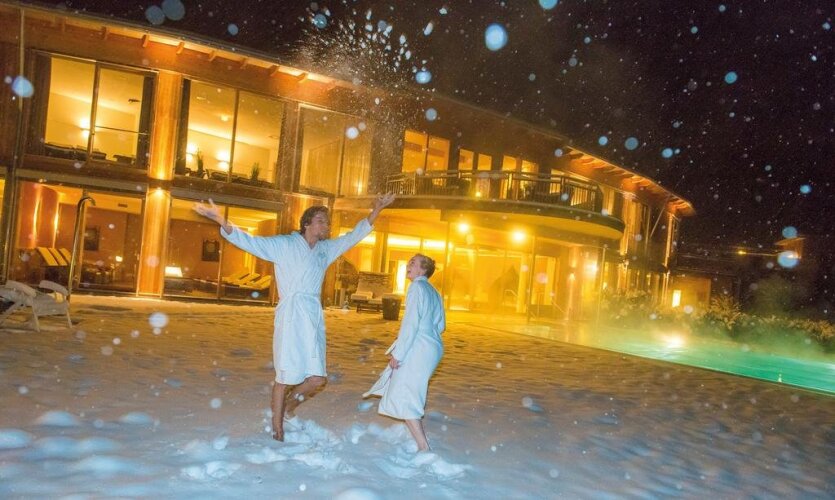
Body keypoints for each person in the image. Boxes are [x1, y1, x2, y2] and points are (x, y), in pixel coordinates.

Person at [193, 193, 395, 441]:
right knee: (285, 375)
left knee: (317, 378)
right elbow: (250, 242)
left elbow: (353, 236)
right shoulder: (285, 245)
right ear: (307, 223)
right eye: (321, 221)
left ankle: (288, 408)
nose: (326, 225)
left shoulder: (325, 250)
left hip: (312, 318)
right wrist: (221, 220)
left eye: (327, 222)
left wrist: (377, 210)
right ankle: (277, 427)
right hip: (290, 315)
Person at [364, 253, 445, 451]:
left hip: (418, 347)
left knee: (407, 393)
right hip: (433, 347)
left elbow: (410, 324)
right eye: (409, 262)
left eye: (413, 263)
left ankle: (423, 447)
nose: (408, 265)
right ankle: (418, 440)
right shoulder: (434, 291)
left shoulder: (416, 287)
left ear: (423, 270)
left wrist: (398, 354)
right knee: (407, 390)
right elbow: (441, 324)